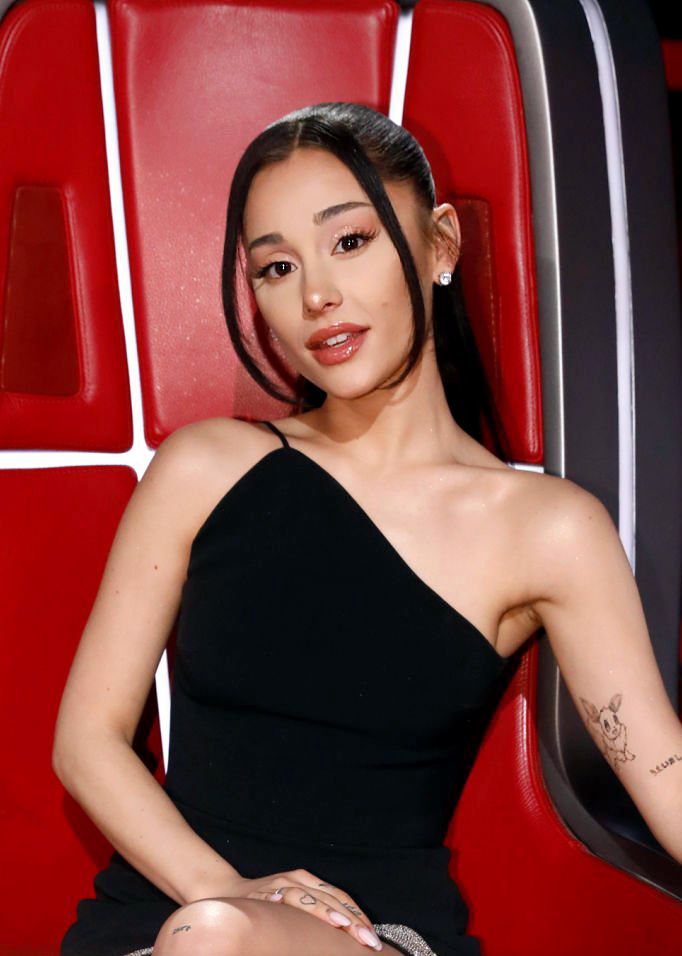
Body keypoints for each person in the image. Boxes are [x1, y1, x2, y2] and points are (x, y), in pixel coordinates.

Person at [53, 102, 682, 956]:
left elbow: (664, 776)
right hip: (165, 913)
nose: (316, 295)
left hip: (371, 934)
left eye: (350, 242)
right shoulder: (203, 468)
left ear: (440, 245)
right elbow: (87, 742)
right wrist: (222, 889)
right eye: (276, 267)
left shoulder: (548, 529)